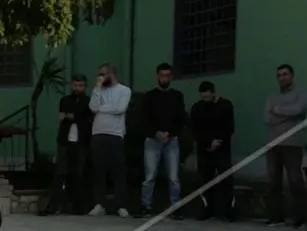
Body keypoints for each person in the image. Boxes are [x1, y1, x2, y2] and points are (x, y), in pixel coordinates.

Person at [263, 64, 307, 227]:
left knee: (295, 180)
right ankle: (275, 217)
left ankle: (300, 218)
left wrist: (277, 111)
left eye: (285, 74)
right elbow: (267, 119)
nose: (282, 77)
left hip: (293, 143)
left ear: (292, 75)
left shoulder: (301, 93)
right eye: (279, 75)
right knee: (272, 182)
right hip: (273, 143)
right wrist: (287, 114)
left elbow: (299, 109)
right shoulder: (271, 97)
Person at [139, 62, 186, 217]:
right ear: (157, 76)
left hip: (171, 140)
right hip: (152, 140)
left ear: (171, 77)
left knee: (173, 177)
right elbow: (144, 119)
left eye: (167, 76)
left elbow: (180, 119)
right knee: (149, 176)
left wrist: (169, 133)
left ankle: (175, 206)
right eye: (162, 75)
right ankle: (146, 206)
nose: (164, 78)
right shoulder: (149, 96)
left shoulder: (177, 96)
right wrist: (156, 133)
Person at [87, 63, 132, 218]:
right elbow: (93, 107)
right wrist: (97, 87)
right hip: (98, 134)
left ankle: (121, 205)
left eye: (103, 74)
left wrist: (102, 108)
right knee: (99, 171)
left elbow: (120, 108)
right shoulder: (98, 90)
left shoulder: (124, 90)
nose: (100, 77)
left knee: (118, 171)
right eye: (98, 74)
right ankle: (99, 204)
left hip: (116, 134)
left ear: (111, 74)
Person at [45, 74, 92, 215]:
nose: (78, 88)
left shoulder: (88, 101)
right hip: (65, 140)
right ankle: (54, 205)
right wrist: (72, 116)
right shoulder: (65, 100)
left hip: (81, 142)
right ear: (72, 85)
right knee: (60, 173)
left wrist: (72, 116)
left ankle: (78, 206)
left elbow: (84, 117)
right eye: (76, 85)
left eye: (81, 85)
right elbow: (62, 118)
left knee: (78, 173)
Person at [190, 81, 236, 221]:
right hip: (204, 149)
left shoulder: (225, 105)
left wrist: (218, 141)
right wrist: (208, 143)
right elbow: (195, 129)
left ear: (213, 92)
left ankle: (228, 211)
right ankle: (206, 209)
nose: (206, 99)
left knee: (225, 178)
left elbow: (229, 127)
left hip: (222, 149)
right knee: (205, 179)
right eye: (203, 97)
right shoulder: (197, 108)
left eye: (208, 96)